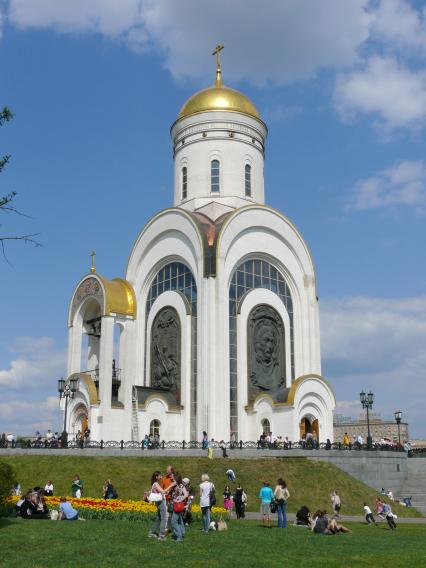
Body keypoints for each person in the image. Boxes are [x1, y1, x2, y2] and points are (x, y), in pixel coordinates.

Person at [148, 471, 170, 541]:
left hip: (159, 502)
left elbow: (161, 492)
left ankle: (151, 532)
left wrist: (166, 491)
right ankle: (161, 536)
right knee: (164, 518)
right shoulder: (156, 484)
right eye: (160, 476)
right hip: (161, 502)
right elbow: (162, 492)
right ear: (156, 477)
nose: (161, 477)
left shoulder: (156, 484)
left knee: (159, 518)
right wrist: (171, 485)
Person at [171, 474, 189, 542]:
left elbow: (186, 494)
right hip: (176, 504)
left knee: (173, 522)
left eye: (174, 479)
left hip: (178, 505)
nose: (173, 480)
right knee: (179, 521)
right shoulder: (177, 485)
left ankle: (179, 537)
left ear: (177, 480)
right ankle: (181, 533)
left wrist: (179, 500)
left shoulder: (181, 486)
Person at [161, 464, 176, 531]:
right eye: (166, 469)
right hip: (166, 499)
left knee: (173, 514)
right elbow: (161, 489)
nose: (166, 471)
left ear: (171, 471)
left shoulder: (175, 478)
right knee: (166, 514)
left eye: (168, 470)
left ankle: (172, 527)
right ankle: (167, 528)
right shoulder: (164, 479)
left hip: (174, 499)